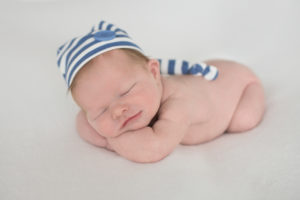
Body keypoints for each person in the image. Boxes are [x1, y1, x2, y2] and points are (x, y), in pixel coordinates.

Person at [56, 20, 265, 163]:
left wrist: (109, 138)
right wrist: (99, 124)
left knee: (243, 120)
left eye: (126, 92)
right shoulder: (145, 95)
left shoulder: (178, 102)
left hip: (240, 85)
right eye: (101, 110)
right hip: (210, 78)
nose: (118, 110)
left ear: (154, 72)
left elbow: (153, 148)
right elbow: (81, 120)